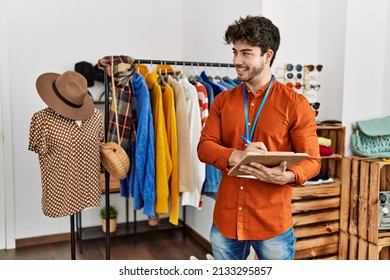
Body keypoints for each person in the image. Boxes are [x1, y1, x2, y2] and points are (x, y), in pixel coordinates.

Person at [197, 15, 321, 260]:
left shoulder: (296, 105)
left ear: (268, 56)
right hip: (226, 221)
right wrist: (238, 155)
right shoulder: (222, 101)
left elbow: (314, 162)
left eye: (246, 53)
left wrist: (287, 176)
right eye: (235, 52)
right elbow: (204, 148)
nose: (236, 61)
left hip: (272, 223)